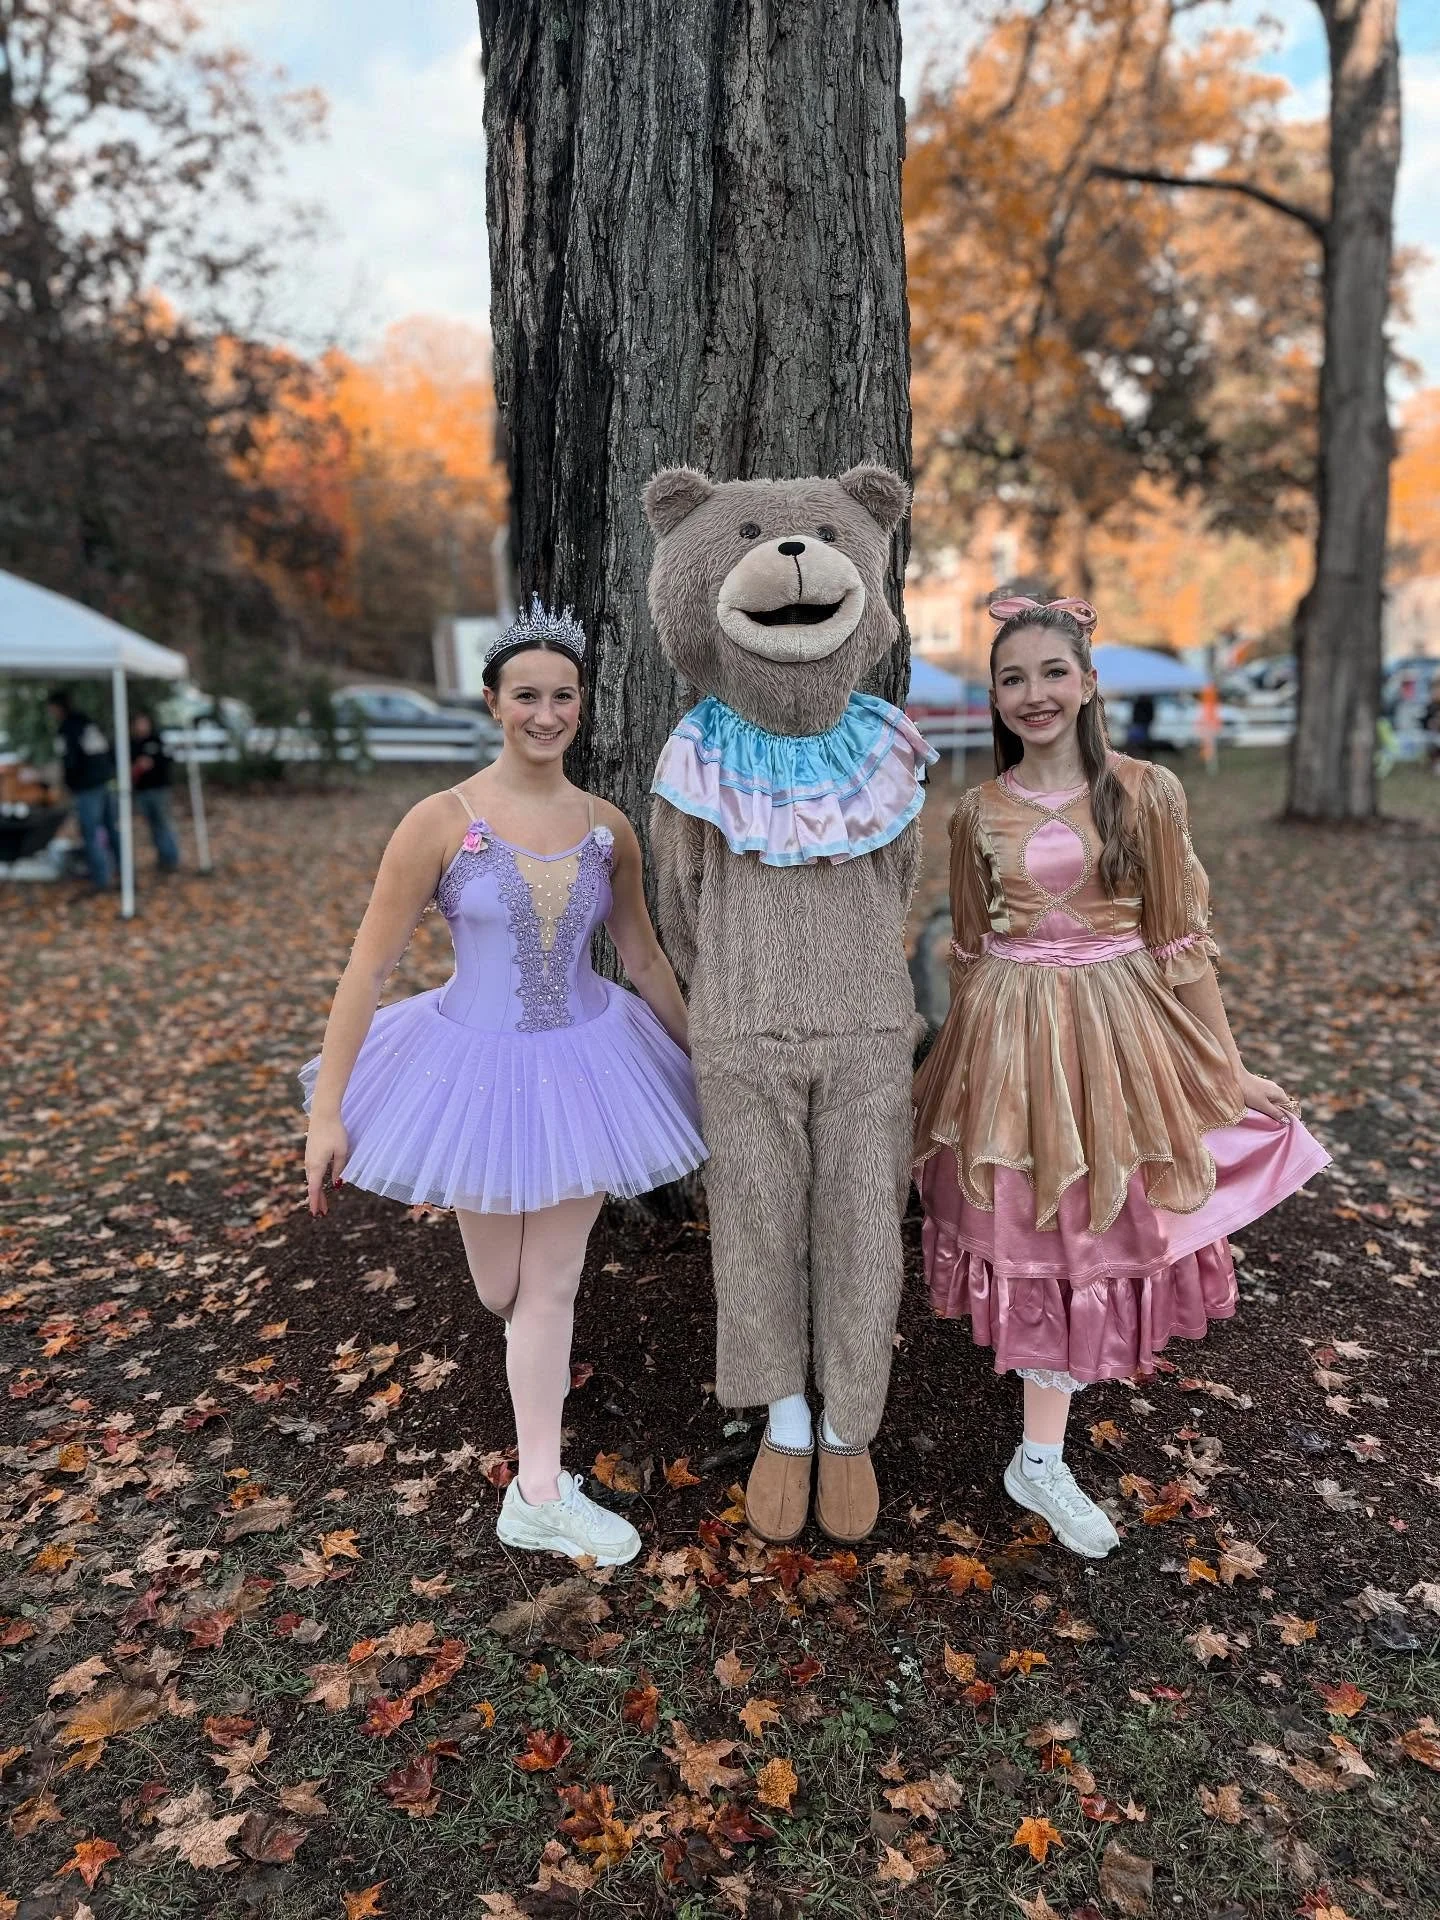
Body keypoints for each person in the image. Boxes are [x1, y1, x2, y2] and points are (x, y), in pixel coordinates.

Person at [912, 596, 1329, 1558]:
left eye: (1054, 672)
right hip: (1008, 1043)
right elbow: (971, 947)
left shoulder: (1144, 791)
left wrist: (1223, 1072)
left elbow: (1181, 945)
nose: (1034, 694)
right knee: (1031, 1212)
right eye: (1012, 678)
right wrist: (958, 1069)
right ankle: (1042, 1457)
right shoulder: (977, 810)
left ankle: (1040, 1452)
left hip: (1117, 1036)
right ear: (996, 696)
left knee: (1101, 1212)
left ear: (1089, 682)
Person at [302, 599, 706, 1567]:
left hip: (588, 1067)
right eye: (527, 694)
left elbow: (642, 959)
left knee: (552, 1282)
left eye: (563, 696)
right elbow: (368, 968)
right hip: (472, 1070)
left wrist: (702, 1058)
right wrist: (328, 1110)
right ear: (493, 703)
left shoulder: (608, 827)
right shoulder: (440, 822)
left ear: (581, 709)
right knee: (503, 1290)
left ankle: (537, 1491)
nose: (546, 712)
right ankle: (535, 1435)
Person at [46, 688, 117, 889]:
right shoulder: (86, 722)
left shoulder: (68, 728)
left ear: (58, 708)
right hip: (103, 781)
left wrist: (66, 783)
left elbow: (70, 761)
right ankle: (120, 871)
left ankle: (101, 879)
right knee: (111, 829)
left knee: (91, 832)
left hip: (88, 786)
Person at [130, 710, 181, 872]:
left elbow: (168, 759)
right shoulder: (132, 744)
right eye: (138, 723)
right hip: (142, 791)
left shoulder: (157, 740)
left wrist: (152, 763)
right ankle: (162, 858)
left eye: (143, 722)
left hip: (159, 790)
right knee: (153, 826)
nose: (141, 726)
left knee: (163, 824)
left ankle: (171, 858)